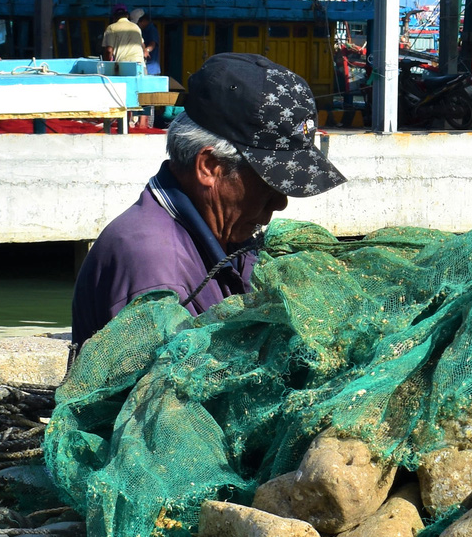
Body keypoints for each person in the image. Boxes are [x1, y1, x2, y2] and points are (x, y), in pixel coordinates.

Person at [69, 52, 346, 348]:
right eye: (270, 182)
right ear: (209, 167)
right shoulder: (157, 275)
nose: (281, 203)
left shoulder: (226, 235)